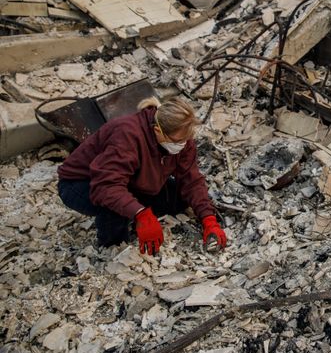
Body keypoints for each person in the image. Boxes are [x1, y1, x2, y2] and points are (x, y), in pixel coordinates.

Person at [57, 96, 227, 254]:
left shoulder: (182, 139)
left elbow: (191, 180)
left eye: (185, 140)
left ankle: (134, 212)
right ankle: (112, 247)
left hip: (131, 180)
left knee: (178, 198)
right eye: (177, 141)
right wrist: (141, 215)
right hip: (81, 184)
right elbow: (106, 186)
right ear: (157, 130)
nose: (182, 145)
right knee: (115, 206)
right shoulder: (127, 134)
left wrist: (208, 219)